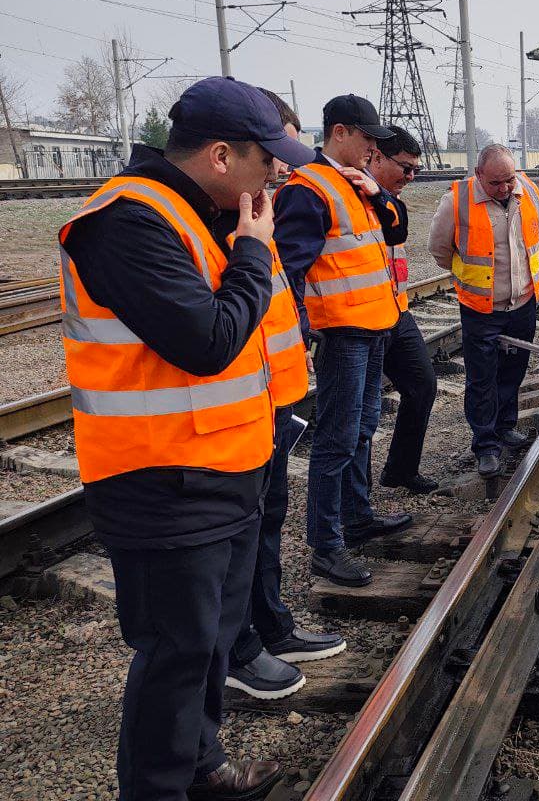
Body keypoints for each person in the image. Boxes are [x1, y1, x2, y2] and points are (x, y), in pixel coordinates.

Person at [58, 77, 316, 800]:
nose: (280, 174)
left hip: (223, 466)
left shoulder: (195, 209)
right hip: (160, 477)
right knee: (175, 653)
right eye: (271, 160)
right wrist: (254, 252)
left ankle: (202, 767)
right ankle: (159, 788)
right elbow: (207, 341)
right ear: (223, 155)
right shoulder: (126, 220)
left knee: (205, 645)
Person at [226, 90, 345, 702]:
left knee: (267, 520)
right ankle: (243, 646)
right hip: (243, 409)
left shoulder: (257, 216)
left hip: (275, 398)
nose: (282, 170)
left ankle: (271, 628)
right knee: (245, 532)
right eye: (274, 154)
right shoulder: (229, 226)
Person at [273, 94, 410, 589]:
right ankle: (327, 547)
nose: (374, 146)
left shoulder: (352, 185)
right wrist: (299, 333)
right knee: (335, 439)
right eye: (368, 137)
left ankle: (357, 515)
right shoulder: (308, 189)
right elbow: (288, 271)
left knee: (363, 427)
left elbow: (396, 232)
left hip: (375, 327)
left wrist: (377, 192)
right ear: (341, 132)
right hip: (345, 332)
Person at [429, 143, 539, 478]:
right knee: (482, 379)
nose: (505, 188)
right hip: (481, 308)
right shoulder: (457, 201)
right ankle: (485, 444)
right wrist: (469, 277)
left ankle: (506, 426)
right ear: (479, 175)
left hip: (523, 302)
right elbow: (439, 248)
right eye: (495, 183)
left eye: (509, 179)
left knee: (513, 370)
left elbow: (533, 239)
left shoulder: (529, 192)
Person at [368, 125, 439, 495]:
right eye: (406, 168)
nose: (411, 177)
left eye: (416, 170)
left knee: (423, 385)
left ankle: (399, 470)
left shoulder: (389, 199)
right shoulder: (352, 196)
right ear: (376, 157)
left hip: (396, 311)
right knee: (361, 414)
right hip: (359, 320)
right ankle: (354, 499)